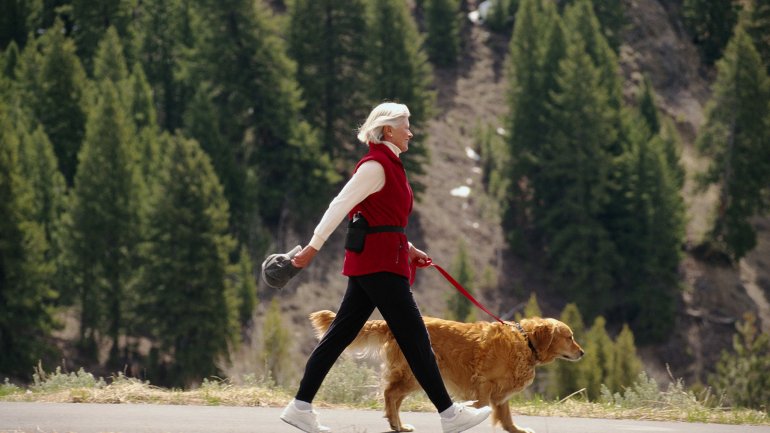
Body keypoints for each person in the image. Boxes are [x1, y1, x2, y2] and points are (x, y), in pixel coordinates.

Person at [280, 102, 492, 433]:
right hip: (379, 264)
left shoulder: (390, 165)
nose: (411, 131)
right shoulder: (375, 166)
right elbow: (340, 205)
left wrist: (408, 248)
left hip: (381, 259)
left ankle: (299, 406)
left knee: (340, 335)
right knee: (415, 337)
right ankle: (450, 414)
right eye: (406, 125)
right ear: (388, 129)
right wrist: (311, 248)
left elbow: (382, 218)